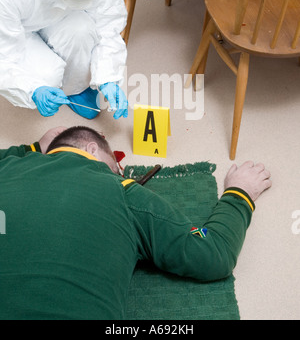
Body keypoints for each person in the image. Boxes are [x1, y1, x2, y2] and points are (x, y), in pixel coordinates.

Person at [0, 126, 272, 320]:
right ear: (92, 148)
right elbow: (213, 254)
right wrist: (240, 193)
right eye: (116, 166)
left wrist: (32, 149)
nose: (119, 173)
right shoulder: (124, 192)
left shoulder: (8, 167)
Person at [0, 0, 128, 120]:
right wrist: (31, 90)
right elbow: (4, 58)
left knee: (83, 30)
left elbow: (108, 23)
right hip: (19, 29)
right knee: (47, 77)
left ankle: (77, 88)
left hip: (58, 14)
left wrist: (108, 76)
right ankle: (44, 82)